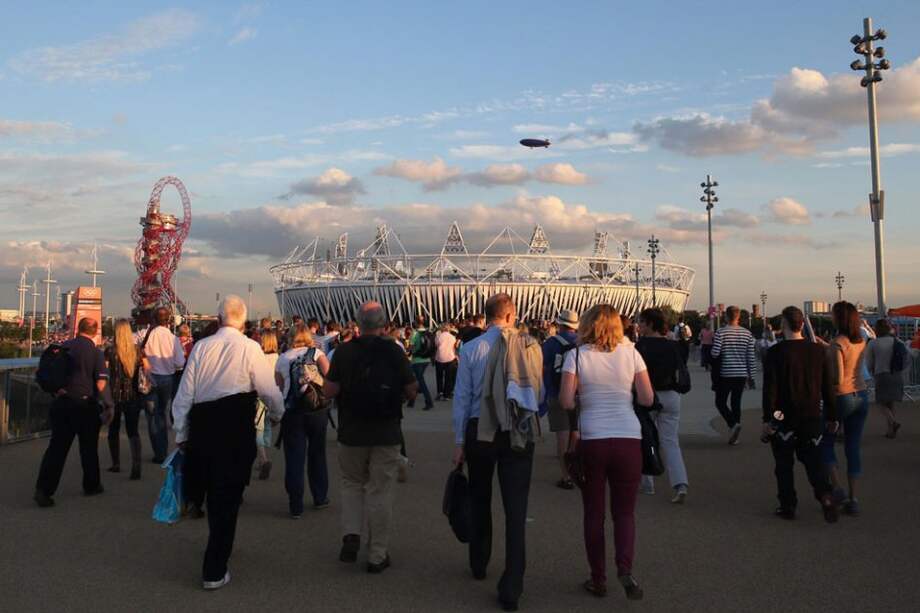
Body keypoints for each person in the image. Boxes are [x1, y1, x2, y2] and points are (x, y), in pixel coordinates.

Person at [172, 295, 285, 590]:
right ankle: (214, 567)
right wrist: (277, 414)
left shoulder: (201, 347)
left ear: (219, 318)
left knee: (212, 490)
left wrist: (181, 433)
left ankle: (218, 545)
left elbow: (185, 393)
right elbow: (268, 389)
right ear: (244, 322)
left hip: (203, 426)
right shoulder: (250, 347)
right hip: (235, 426)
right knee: (228, 495)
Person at [452, 293, 542, 612]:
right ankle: (512, 585)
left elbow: (462, 399)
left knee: (480, 498)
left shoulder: (471, 348)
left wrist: (459, 442)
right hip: (517, 431)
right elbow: (538, 393)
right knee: (516, 510)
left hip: (480, 432)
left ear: (486, 316)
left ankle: (479, 562)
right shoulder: (530, 346)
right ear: (511, 315)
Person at [559, 305, 653, 601]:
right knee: (624, 513)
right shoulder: (632, 353)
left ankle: (598, 578)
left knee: (594, 513)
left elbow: (566, 401)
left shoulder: (576, 356)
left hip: (593, 438)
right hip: (628, 437)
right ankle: (625, 567)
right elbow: (647, 398)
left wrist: (583, 395)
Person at [323, 301, 418, 574]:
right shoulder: (394, 351)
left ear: (357, 323)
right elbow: (412, 389)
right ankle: (377, 554)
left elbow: (329, 391)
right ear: (383, 324)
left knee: (352, 484)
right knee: (380, 490)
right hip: (386, 431)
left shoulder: (343, 351)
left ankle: (351, 533)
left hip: (351, 431)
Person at [762, 306, 838, 522]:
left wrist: (768, 419)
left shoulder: (775, 353)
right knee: (814, 461)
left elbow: (770, 389)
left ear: (783, 324)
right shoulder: (818, 351)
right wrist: (832, 415)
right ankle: (825, 495)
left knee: (783, 464)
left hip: (782, 415)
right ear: (802, 325)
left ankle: (788, 504)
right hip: (811, 413)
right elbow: (827, 387)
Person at [35, 317, 112, 507]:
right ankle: (91, 485)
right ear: (95, 331)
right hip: (85, 405)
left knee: (57, 448)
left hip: (62, 403)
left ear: (78, 328)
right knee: (89, 448)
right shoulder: (95, 352)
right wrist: (109, 404)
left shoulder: (64, 347)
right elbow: (101, 382)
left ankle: (44, 489)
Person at [819, 301, 869, 517]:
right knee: (853, 446)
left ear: (839, 318)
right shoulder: (860, 341)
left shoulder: (837, 343)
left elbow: (838, 379)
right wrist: (827, 347)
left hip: (842, 396)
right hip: (861, 394)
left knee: (825, 441)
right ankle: (853, 497)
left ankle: (837, 487)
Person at [276, 326, 331, 516]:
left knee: (294, 458)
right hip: (317, 410)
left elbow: (279, 387)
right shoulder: (316, 353)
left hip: (292, 412)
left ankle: (295, 505)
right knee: (317, 454)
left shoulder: (283, 358)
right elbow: (330, 376)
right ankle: (320, 496)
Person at [636, 308, 689, 502]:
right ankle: (680, 483)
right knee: (670, 441)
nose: (639, 326)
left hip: (649, 396)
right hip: (672, 396)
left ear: (651, 324)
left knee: (646, 439)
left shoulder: (641, 346)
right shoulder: (673, 346)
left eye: (642, 322)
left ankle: (648, 482)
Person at [142, 306, 186, 463]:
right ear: (168, 320)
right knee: (162, 413)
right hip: (167, 378)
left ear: (154, 319)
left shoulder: (147, 335)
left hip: (150, 378)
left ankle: (159, 452)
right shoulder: (173, 338)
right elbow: (180, 363)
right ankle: (163, 449)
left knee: (152, 416)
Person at [541, 309, 579, 490]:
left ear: (560, 324)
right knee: (576, 432)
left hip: (556, 392)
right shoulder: (583, 343)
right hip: (578, 393)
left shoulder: (550, 343)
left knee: (562, 435)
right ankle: (576, 468)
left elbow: (542, 366)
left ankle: (566, 476)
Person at [711, 306, 757, 445]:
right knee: (736, 403)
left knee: (720, 402)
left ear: (726, 316)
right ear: (738, 317)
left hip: (726, 373)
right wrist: (752, 376)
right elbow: (751, 357)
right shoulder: (747, 334)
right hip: (741, 374)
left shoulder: (721, 332)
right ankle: (735, 435)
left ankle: (732, 425)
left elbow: (715, 353)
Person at [105, 319, 143, 480]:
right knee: (133, 431)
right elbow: (147, 369)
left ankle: (116, 463)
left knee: (113, 430)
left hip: (114, 395)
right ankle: (136, 465)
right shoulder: (137, 351)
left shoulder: (110, 351)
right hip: (133, 395)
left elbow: (105, 373)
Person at [866, 319, 905, 438]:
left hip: (882, 374)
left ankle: (893, 422)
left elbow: (869, 362)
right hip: (896, 374)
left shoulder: (873, 343)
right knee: (891, 403)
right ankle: (890, 431)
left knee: (880, 402)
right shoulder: (897, 341)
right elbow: (906, 357)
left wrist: (870, 373)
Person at [255, 330, 281, 480]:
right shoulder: (278, 357)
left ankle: (263, 458)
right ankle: (263, 456)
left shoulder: (259, 357)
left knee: (257, 428)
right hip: (274, 396)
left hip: (260, 396)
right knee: (267, 427)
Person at [408, 317, 435, 410]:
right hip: (426, 360)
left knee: (419, 381)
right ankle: (411, 401)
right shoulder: (428, 332)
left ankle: (429, 401)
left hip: (417, 360)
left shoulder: (415, 333)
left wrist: (408, 351)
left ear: (416, 323)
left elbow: (411, 347)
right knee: (417, 379)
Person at [434, 323, 459, 401]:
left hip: (439, 358)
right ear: (448, 329)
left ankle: (440, 392)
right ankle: (447, 395)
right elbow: (455, 347)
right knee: (448, 377)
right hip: (450, 358)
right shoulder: (452, 337)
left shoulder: (438, 336)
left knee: (439, 376)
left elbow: (436, 345)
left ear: (441, 329)